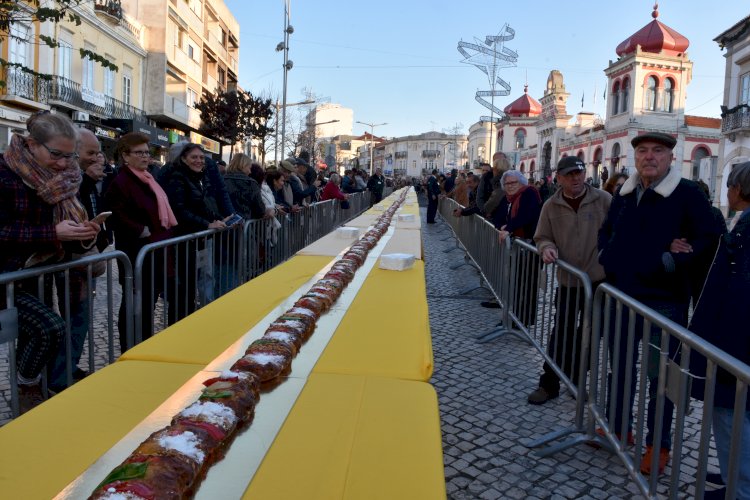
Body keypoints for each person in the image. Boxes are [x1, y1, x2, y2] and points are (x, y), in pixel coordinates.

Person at [597, 132, 722, 476]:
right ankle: (618, 428)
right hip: (623, 295)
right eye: (643, 151)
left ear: (670, 157)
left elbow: (707, 238)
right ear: (634, 158)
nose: (649, 157)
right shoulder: (623, 194)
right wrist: (605, 253)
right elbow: (607, 231)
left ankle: (659, 445)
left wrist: (673, 260)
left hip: (664, 304)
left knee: (660, 380)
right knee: (619, 368)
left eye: (658, 151)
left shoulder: (688, 195)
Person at [0, 112, 100, 413]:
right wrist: (51, 232)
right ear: (31, 144)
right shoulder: (5, 174)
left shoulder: (63, 179)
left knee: (35, 335)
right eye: (56, 154)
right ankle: (26, 386)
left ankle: (30, 394)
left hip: (35, 270)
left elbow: (64, 226)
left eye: (69, 156)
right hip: (7, 273)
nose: (63, 163)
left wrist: (84, 232)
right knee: (50, 327)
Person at [527, 157, 612, 404]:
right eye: (570, 174)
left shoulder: (604, 200)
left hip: (599, 283)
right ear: (559, 178)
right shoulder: (551, 206)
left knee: (591, 334)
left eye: (579, 172)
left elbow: (620, 231)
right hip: (569, 282)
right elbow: (541, 236)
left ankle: (576, 376)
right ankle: (549, 383)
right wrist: (546, 247)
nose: (576, 178)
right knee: (561, 333)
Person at [48, 128, 111, 393]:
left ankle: (66, 370)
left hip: (80, 256)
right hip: (65, 260)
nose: (97, 158)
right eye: (91, 152)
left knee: (78, 320)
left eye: (99, 152)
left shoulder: (83, 179)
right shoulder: (67, 182)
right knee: (71, 320)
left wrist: (102, 240)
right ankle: (57, 379)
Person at [105, 132, 179, 351]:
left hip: (156, 251)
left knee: (149, 302)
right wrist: (141, 230)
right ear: (125, 156)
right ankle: (131, 346)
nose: (146, 156)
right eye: (139, 153)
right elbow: (115, 213)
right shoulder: (121, 180)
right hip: (137, 252)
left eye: (147, 152)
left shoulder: (148, 177)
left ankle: (145, 343)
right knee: (134, 302)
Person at [494, 170, 543, 324]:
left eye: (513, 182)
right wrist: (502, 225)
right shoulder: (507, 199)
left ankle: (525, 319)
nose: (510, 186)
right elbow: (496, 216)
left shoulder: (530, 193)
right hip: (518, 246)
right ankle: (514, 317)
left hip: (531, 244)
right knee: (516, 283)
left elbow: (527, 215)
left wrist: (508, 227)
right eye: (507, 183)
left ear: (521, 182)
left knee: (527, 284)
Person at [223, 153, 265, 220]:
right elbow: (260, 210)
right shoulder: (251, 183)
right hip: (244, 224)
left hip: (224, 225)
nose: (250, 172)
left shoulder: (222, 180)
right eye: (249, 168)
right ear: (243, 166)